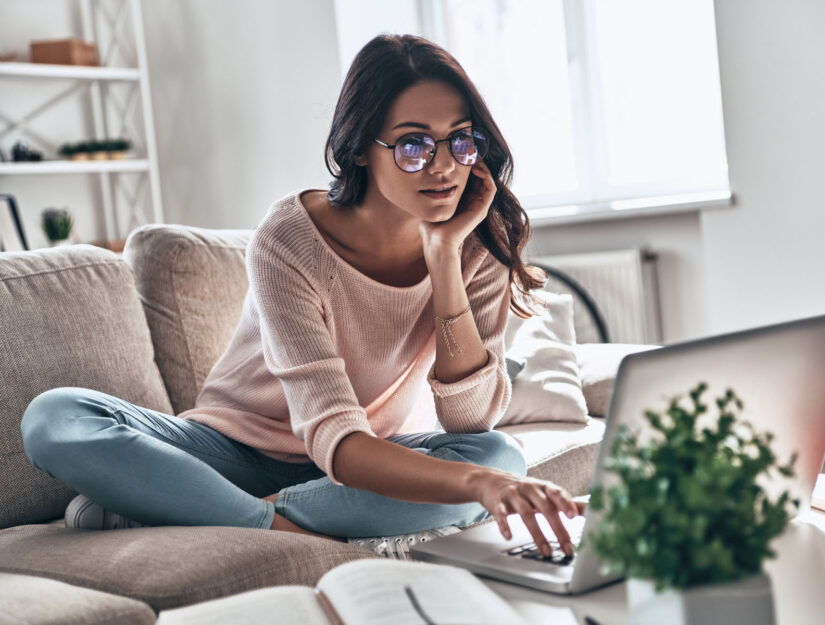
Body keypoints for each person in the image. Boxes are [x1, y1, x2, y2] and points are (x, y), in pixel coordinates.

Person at [19, 34, 584, 559]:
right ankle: (268, 525)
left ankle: (188, 510)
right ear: (361, 147)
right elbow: (335, 439)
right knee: (56, 416)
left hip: (368, 462)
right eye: (414, 145)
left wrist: (443, 260)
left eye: (461, 140)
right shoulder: (288, 240)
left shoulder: (477, 237)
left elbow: (470, 419)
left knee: (497, 456)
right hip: (233, 454)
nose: (443, 166)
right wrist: (477, 488)